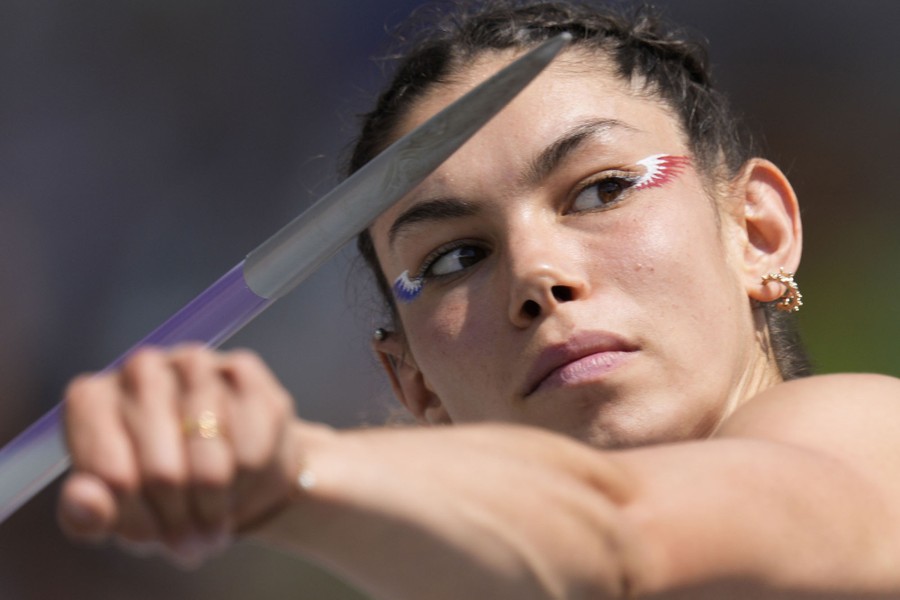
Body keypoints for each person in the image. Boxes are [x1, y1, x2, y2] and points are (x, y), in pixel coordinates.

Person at [57, 1, 900, 598]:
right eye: (457, 256)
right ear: (412, 382)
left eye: (602, 191)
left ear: (756, 231)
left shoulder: (871, 441)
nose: (538, 274)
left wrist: (286, 475)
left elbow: (618, 541)